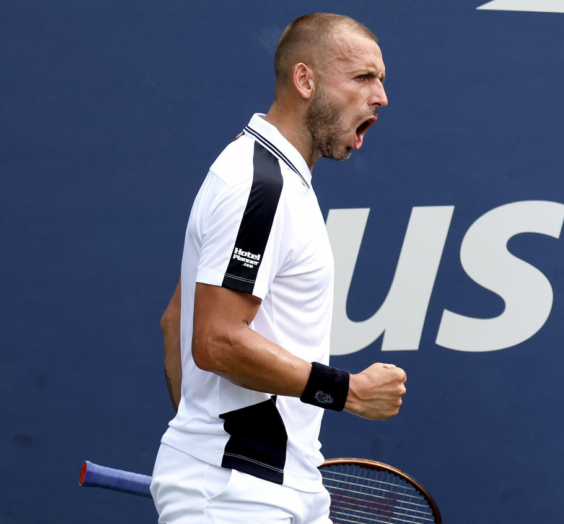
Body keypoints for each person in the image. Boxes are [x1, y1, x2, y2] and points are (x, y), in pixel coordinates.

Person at [150, 13, 407, 524]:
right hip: (238, 496)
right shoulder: (260, 185)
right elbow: (215, 339)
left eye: (381, 80)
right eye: (362, 77)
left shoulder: (274, 180)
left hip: (275, 486)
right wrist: (347, 390)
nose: (380, 96)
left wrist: (202, 446)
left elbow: (176, 319)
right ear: (304, 80)